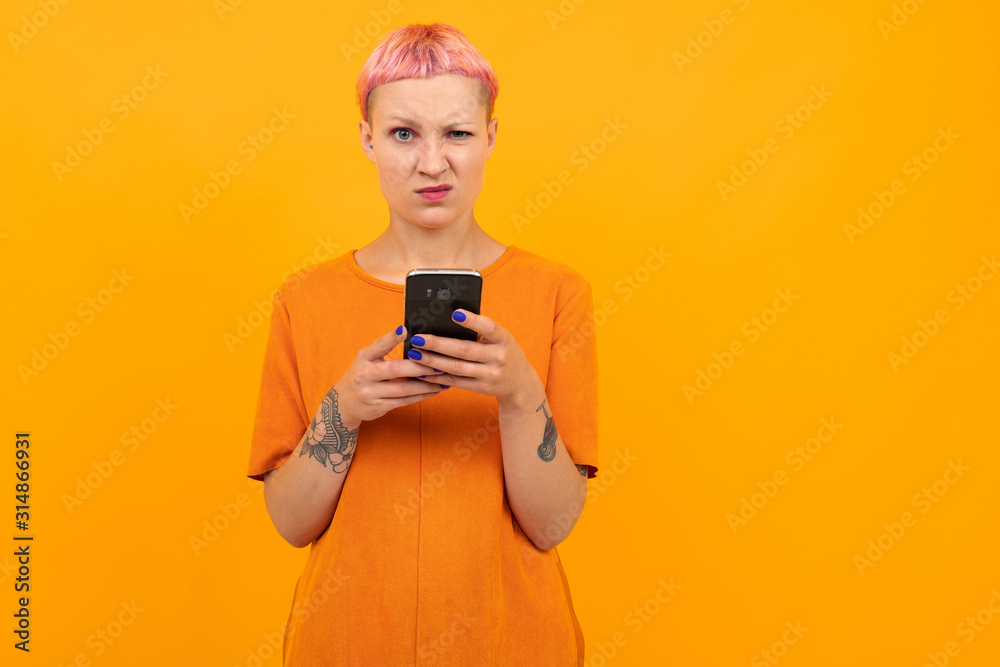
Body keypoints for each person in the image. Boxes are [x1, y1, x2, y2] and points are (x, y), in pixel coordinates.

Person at [246, 22, 599, 666]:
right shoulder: (304, 300)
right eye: (403, 133)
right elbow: (291, 524)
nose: (432, 163)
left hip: (511, 642)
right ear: (367, 140)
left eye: (457, 132)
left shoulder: (558, 294)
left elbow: (552, 525)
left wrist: (521, 394)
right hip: (347, 644)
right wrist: (344, 407)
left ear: (490, 137)